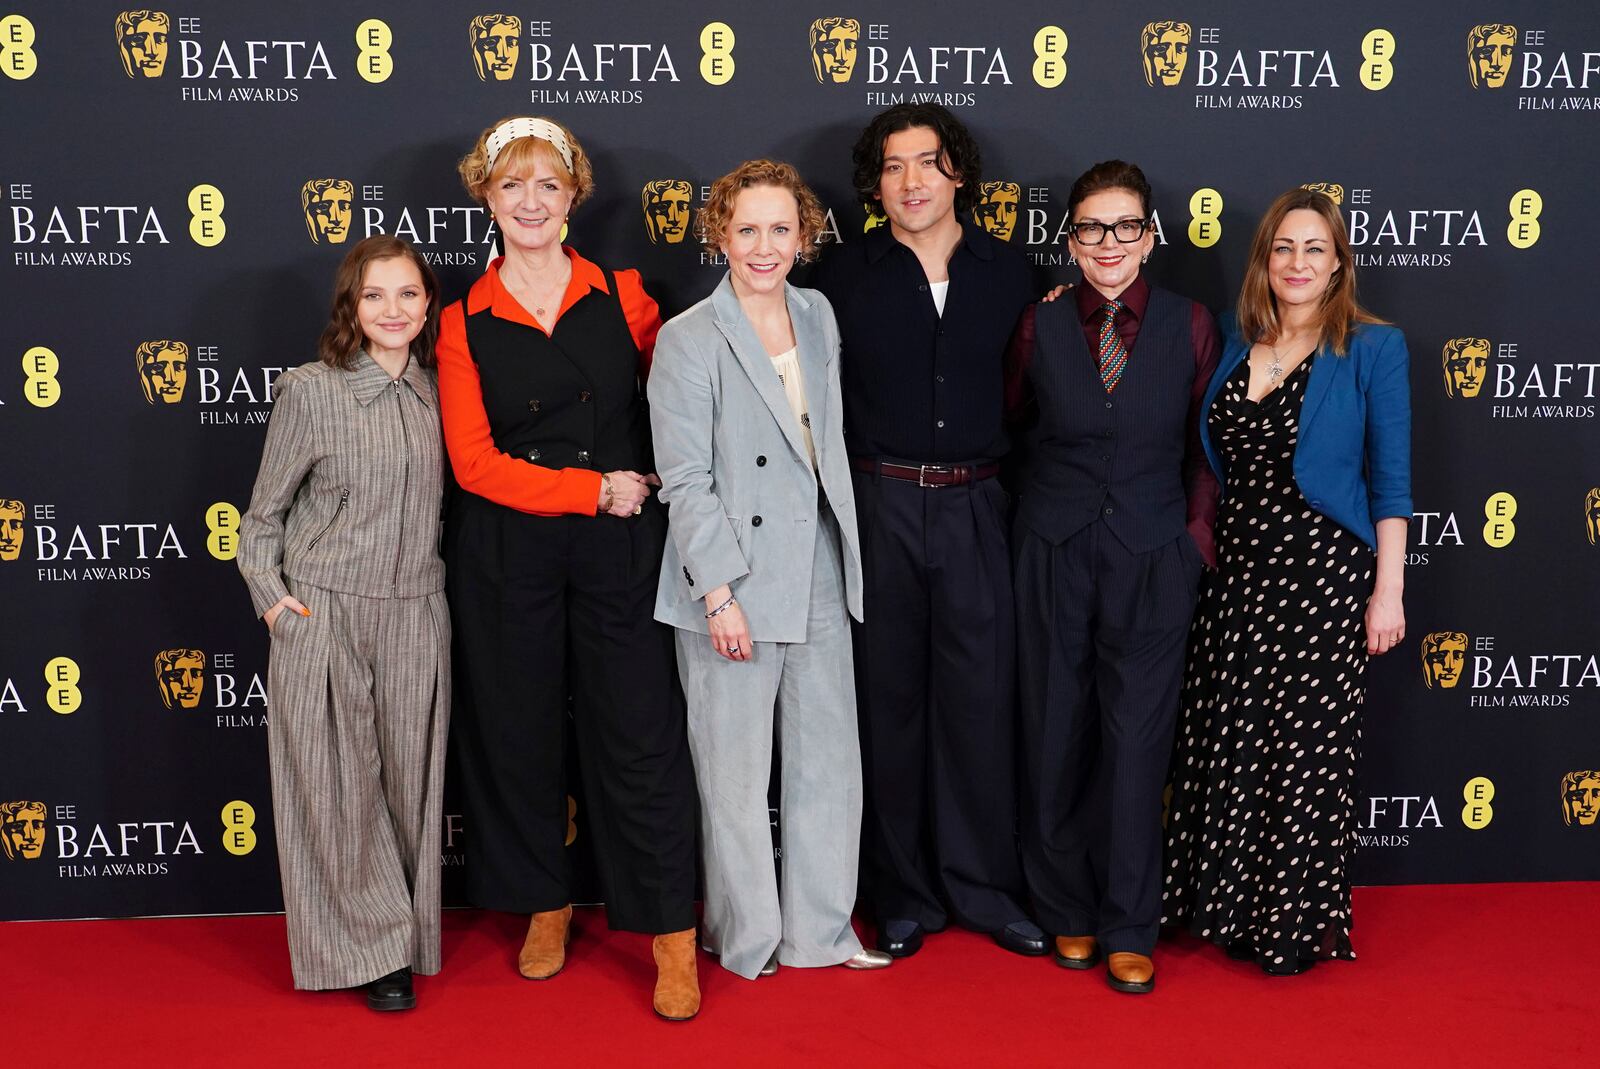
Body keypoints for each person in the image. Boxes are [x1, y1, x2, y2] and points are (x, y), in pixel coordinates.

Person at [436, 116, 700, 1021]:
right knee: (518, 735)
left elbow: (683, 404)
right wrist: (591, 491)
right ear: (487, 197)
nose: (532, 201)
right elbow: (474, 465)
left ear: (575, 195)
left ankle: (669, 931)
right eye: (514, 185)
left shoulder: (626, 295)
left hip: (622, 548)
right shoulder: (461, 320)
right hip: (514, 548)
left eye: (549, 184)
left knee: (640, 735)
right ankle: (543, 905)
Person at [812, 102, 1046, 961]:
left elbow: (1030, 396)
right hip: (878, 506)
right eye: (894, 166)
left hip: (980, 503)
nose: (912, 181)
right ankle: (904, 893)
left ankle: (984, 886)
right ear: (875, 184)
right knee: (890, 703)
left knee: (981, 703)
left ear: (959, 173)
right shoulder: (840, 277)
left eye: (928, 163)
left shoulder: (1011, 273)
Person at [650, 159, 890, 982]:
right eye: (746, 229)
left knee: (830, 764)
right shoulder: (687, 337)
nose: (763, 246)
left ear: (804, 235)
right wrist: (718, 593)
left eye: (780, 229)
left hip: (818, 561)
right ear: (720, 235)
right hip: (732, 580)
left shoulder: (818, 313)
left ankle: (819, 931)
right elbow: (684, 479)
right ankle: (746, 937)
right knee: (734, 773)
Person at [1163, 186, 1411, 976]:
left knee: (1301, 753)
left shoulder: (1373, 348)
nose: (1298, 263)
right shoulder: (1239, 342)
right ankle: (1223, 907)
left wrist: (1388, 591)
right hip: (1236, 575)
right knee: (1229, 738)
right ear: (1264, 260)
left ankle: (1287, 926)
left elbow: (1392, 484)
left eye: (1315, 249)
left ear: (1339, 262)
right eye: (1283, 248)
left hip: (1321, 579)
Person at [1005, 160, 1220, 994]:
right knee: (1056, 732)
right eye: (1091, 227)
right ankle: (1067, 907)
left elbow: (1207, 447)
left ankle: (1132, 920)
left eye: (1126, 226)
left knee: (1137, 745)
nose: (1109, 243)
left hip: (1155, 555)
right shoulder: (1039, 324)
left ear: (1151, 235)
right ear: (1070, 239)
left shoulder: (1191, 323)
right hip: (1053, 552)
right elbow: (1012, 424)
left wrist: (1193, 540)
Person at [237, 234, 448, 1012]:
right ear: (350, 308)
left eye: (408, 294)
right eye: (375, 296)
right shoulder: (312, 390)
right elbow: (261, 519)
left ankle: (403, 936)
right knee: (338, 791)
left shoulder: (443, 389)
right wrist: (271, 597)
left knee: (407, 789)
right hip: (326, 609)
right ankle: (372, 954)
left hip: (419, 611)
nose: (393, 310)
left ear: (428, 305)